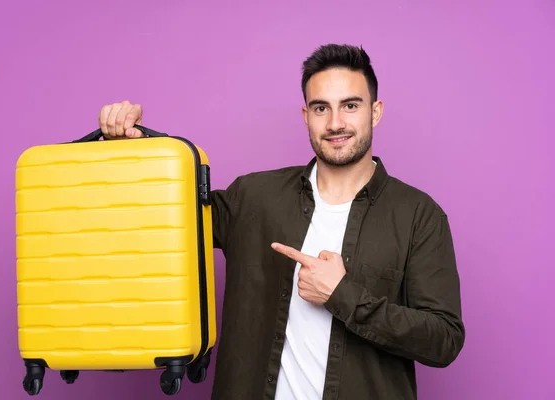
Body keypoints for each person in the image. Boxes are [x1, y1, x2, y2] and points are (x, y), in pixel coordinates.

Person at [97, 44, 465, 400]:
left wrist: (342, 295)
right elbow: (158, 219)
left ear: (376, 111)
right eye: (321, 108)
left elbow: (444, 340)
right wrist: (130, 147)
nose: (336, 123)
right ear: (306, 116)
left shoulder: (419, 216)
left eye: (350, 105)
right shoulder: (253, 197)